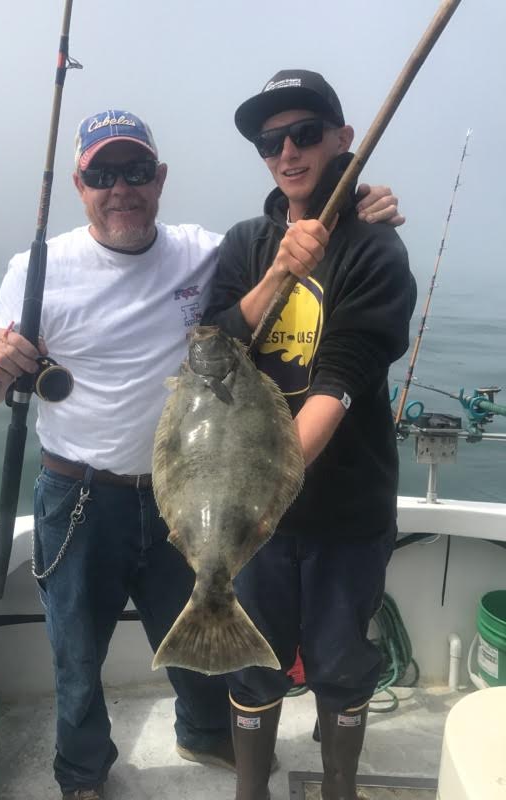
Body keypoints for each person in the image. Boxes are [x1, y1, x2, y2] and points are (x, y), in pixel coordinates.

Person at [0, 107, 405, 799]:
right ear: (79, 185)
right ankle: (81, 774)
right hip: (79, 496)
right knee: (76, 653)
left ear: (159, 178)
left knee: (201, 635)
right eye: (102, 175)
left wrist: (358, 203)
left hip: (184, 496)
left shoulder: (205, 249)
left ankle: (202, 734)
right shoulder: (38, 270)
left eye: (136, 171)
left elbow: (279, 251)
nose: (121, 189)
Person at [202, 70, 416, 800]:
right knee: (252, 663)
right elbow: (210, 351)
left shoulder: (375, 251)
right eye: (270, 141)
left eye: (304, 134)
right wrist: (276, 273)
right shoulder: (243, 244)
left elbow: (339, 383)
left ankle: (338, 791)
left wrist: (266, 490)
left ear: (342, 139)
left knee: (338, 663)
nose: (287, 152)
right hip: (251, 519)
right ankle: (251, 792)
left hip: (345, 514)